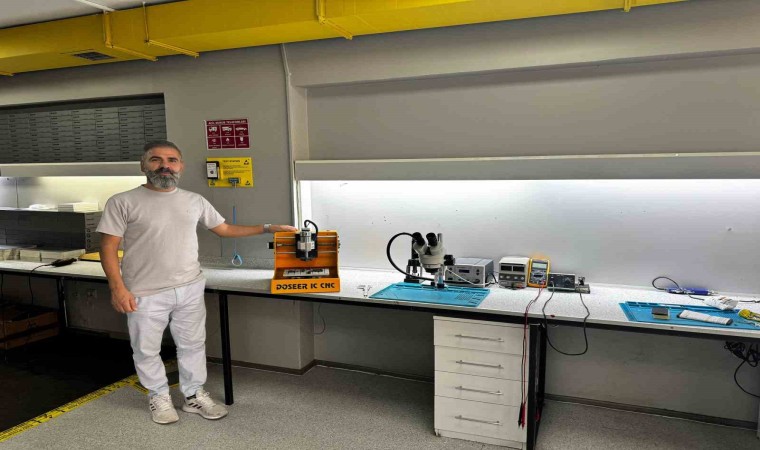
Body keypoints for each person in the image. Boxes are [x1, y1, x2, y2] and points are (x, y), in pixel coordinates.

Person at [97, 140, 297, 424]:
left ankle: (193, 395)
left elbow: (224, 229)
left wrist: (267, 228)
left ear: (181, 166)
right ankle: (158, 396)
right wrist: (117, 287)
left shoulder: (194, 200)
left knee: (192, 345)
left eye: (172, 160)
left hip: (190, 286)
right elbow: (108, 247)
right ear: (144, 165)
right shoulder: (122, 201)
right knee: (146, 349)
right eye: (156, 160)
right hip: (144, 291)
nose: (165, 166)